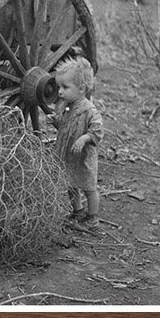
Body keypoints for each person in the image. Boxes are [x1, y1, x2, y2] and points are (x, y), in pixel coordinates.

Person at [50, 56, 104, 229]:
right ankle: (77, 211)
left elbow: (97, 129)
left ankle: (92, 218)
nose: (60, 91)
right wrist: (56, 122)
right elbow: (66, 128)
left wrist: (85, 138)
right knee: (71, 185)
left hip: (83, 158)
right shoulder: (67, 106)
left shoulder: (89, 110)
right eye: (59, 86)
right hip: (69, 156)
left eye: (65, 87)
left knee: (89, 187)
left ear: (81, 89)